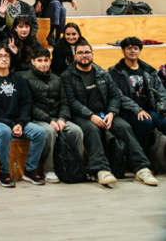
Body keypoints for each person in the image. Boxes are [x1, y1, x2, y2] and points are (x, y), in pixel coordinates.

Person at [61, 41, 158, 187]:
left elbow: (115, 96)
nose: (84, 56)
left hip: (105, 114)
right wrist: (90, 116)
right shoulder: (67, 76)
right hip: (82, 116)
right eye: (80, 53)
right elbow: (72, 101)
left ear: (92, 54)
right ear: (75, 56)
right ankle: (102, 170)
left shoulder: (102, 73)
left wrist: (112, 113)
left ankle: (141, 168)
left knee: (124, 127)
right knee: (92, 130)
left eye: (87, 52)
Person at [0, 43, 47, 187]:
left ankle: (30, 170)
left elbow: (26, 103)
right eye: (0, 56)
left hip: (18, 122)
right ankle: (3, 173)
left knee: (40, 132)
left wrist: (20, 123)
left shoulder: (19, 79)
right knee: (4, 132)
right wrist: (11, 125)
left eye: (6, 56)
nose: (3, 59)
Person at [21, 47, 85, 184]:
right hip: (37, 119)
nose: (43, 63)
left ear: (50, 62)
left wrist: (62, 118)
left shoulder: (57, 79)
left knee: (76, 131)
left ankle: (76, 167)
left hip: (57, 117)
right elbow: (29, 105)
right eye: (39, 60)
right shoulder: (25, 78)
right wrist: (49, 120)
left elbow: (64, 102)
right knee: (49, 132)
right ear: (32, 62)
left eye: (46, 60)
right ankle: (48, 169)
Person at [109, 37, 166, 152]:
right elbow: (117, 95)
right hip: (126, 111)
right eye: (129, 48)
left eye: (136, 48)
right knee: (145, 123)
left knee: (164, 123)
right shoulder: (114, 72)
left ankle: (160, 161)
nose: (133, 51)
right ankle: (140, 158)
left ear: (140, 51)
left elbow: (161, 92)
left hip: (149, 109)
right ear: (123, 51)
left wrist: (164, 109)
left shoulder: (149, 71)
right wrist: (137, 109)